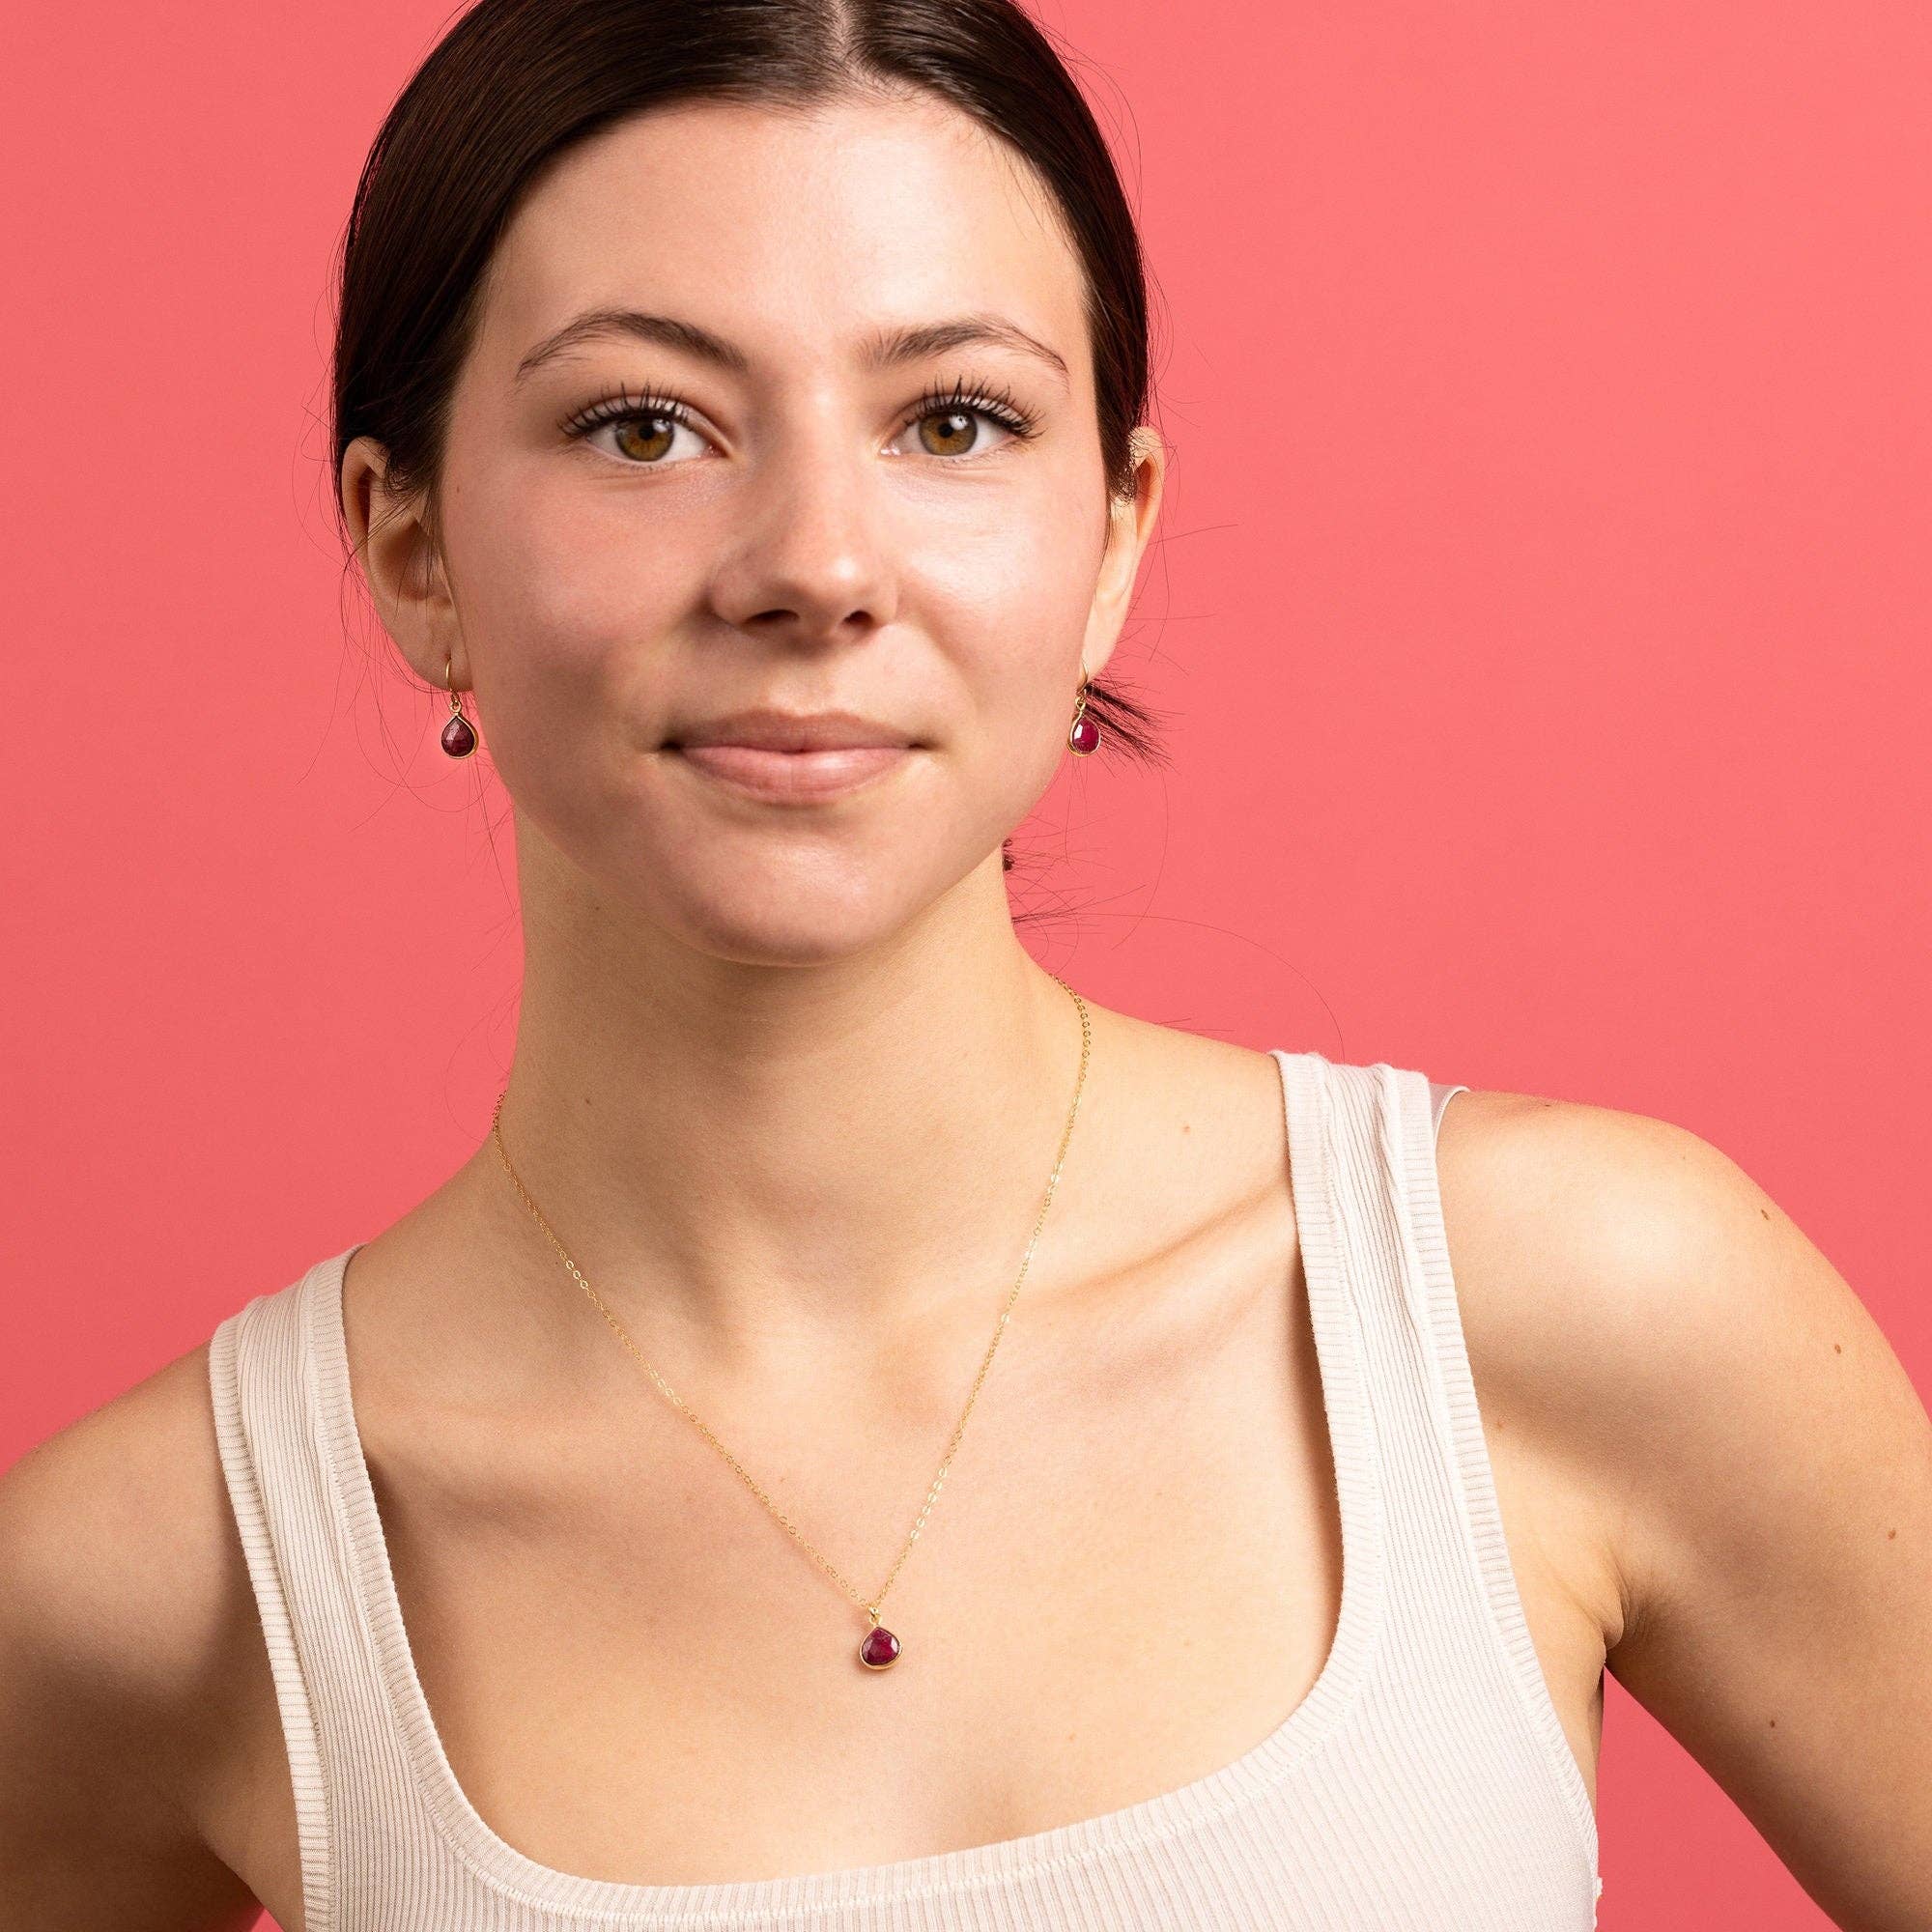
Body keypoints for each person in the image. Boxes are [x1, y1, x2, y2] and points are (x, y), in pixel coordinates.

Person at [4, 2, 1927, 1927]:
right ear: (408, 545)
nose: (815, 564)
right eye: (643, 425)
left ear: (1108, 539)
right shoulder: (156, 1575)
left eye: (953, 420)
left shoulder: (1565, 1302)